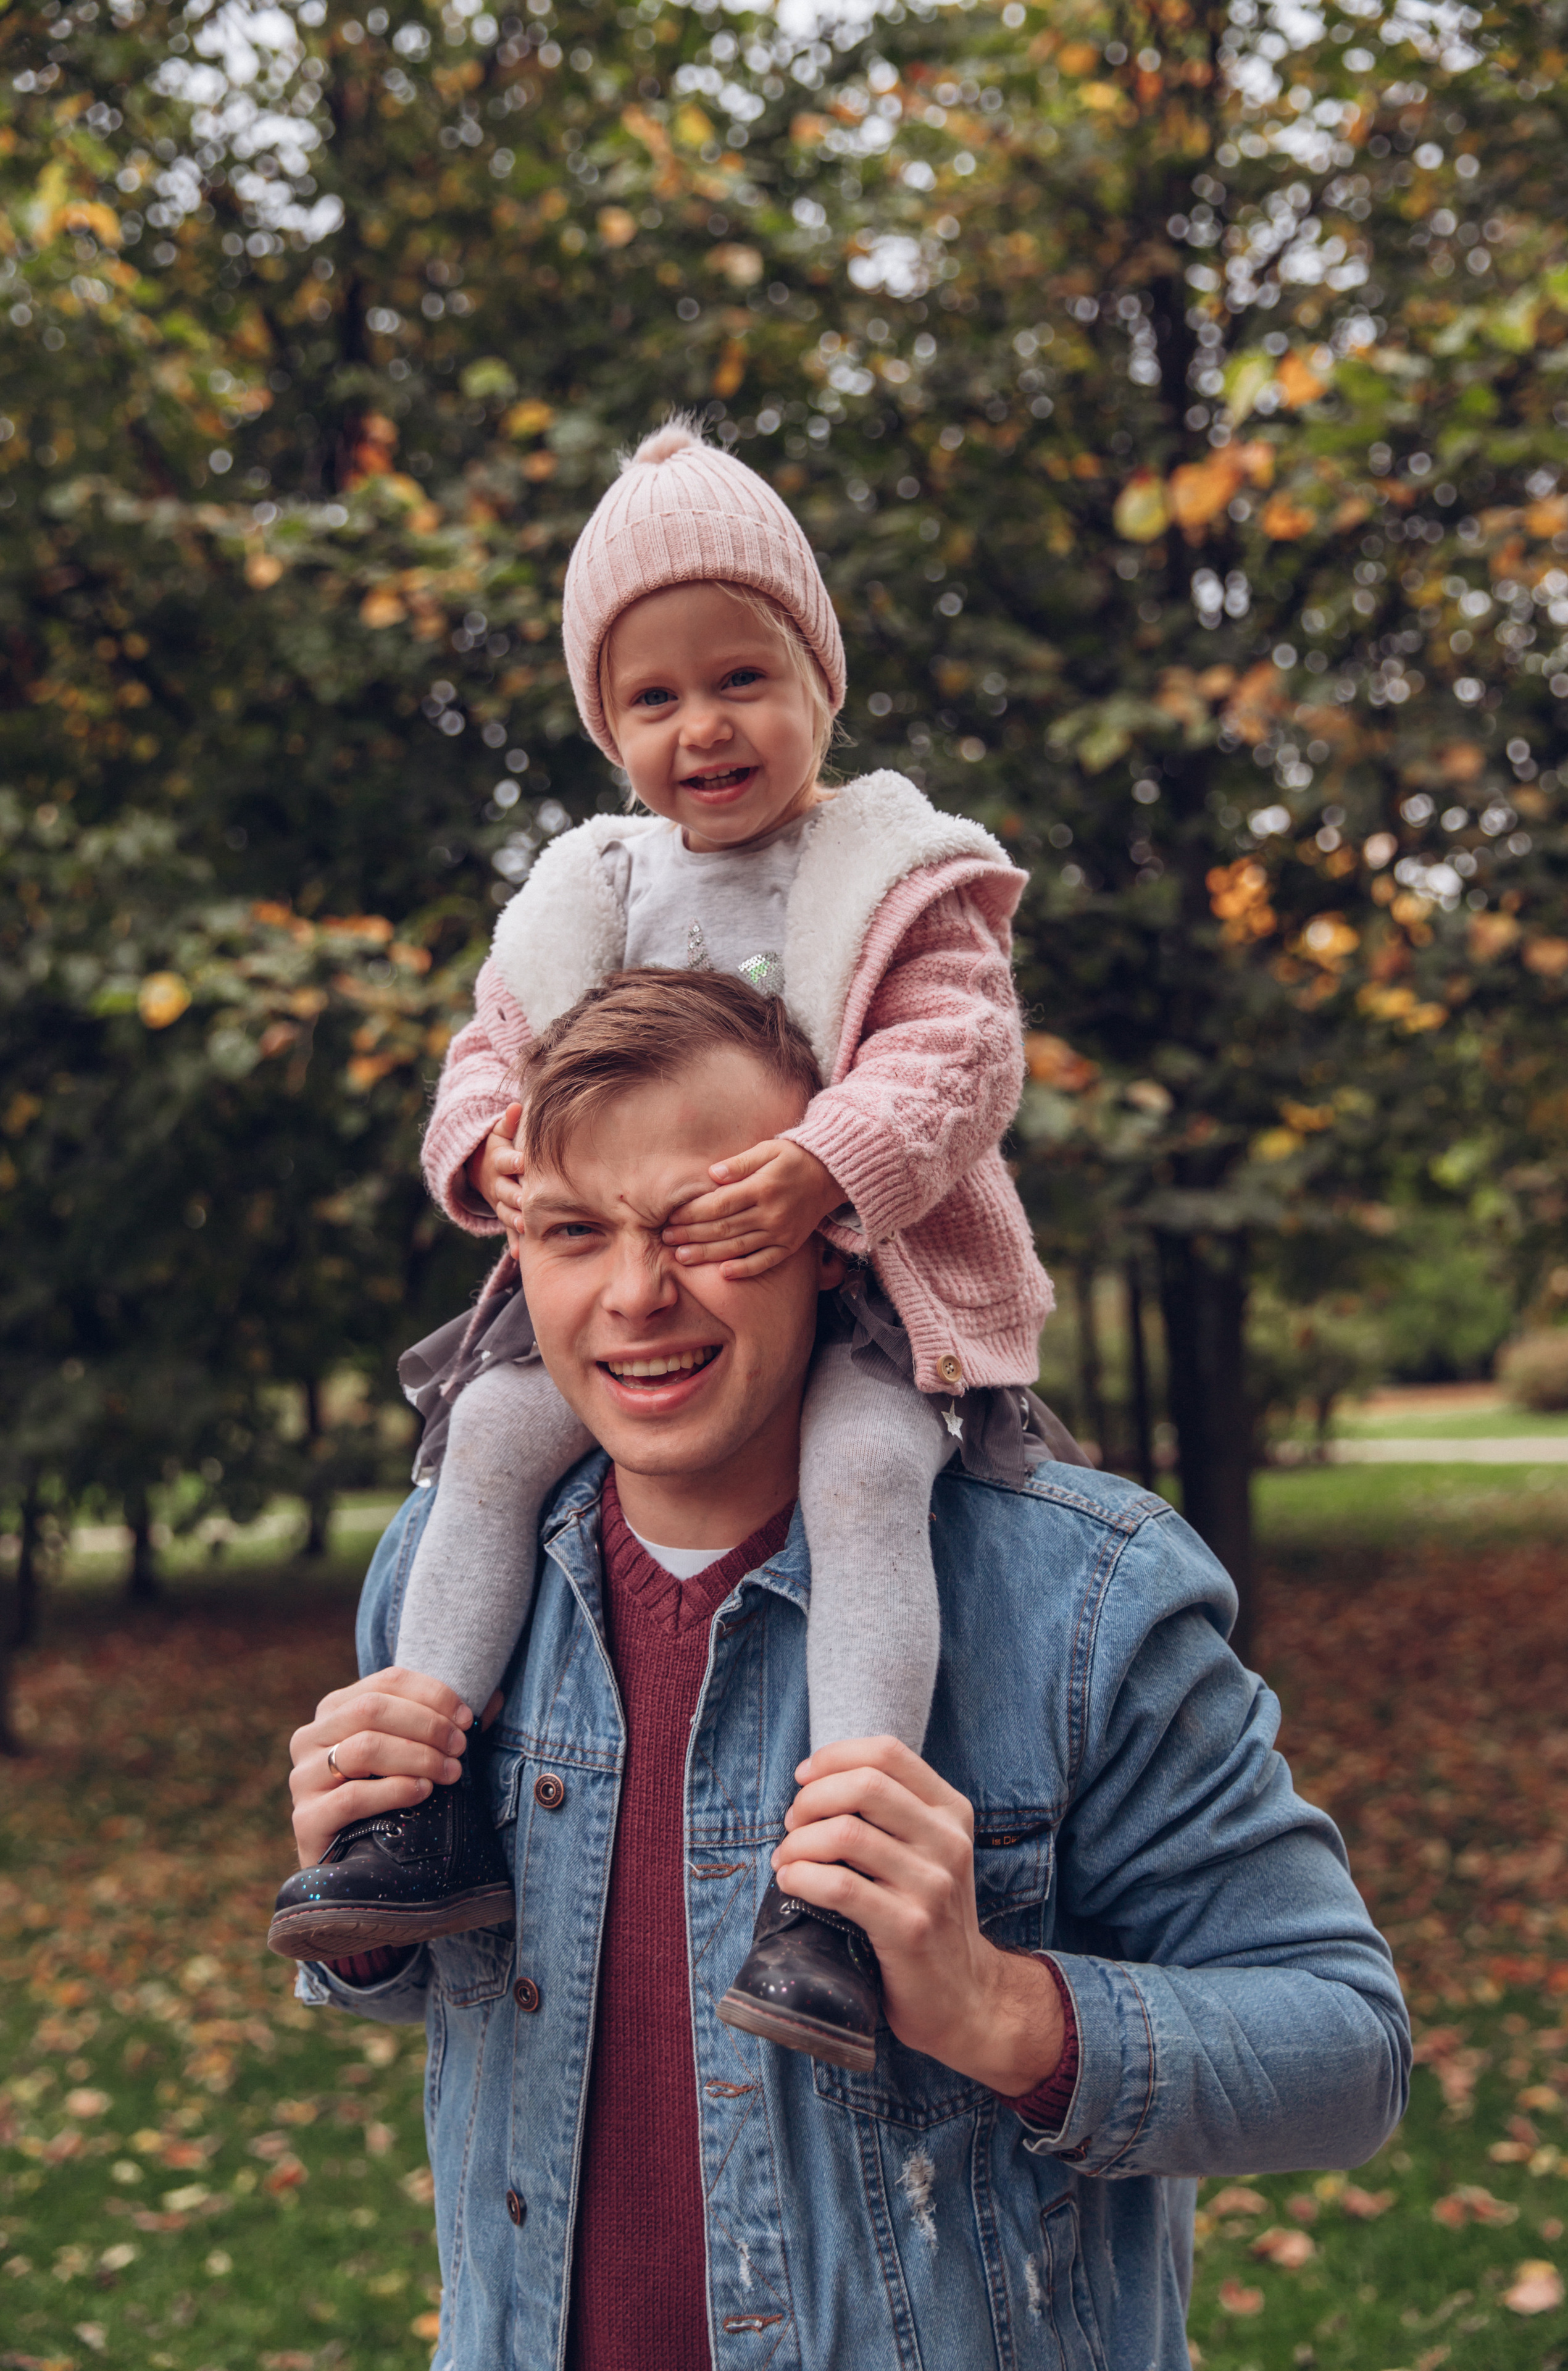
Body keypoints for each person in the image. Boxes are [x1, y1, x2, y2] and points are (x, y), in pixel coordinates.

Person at [278, 972, 1408, 2371]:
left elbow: (1347, 2054)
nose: (636, 1296)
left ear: (828, 1238)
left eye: (705, 1224)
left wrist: (998, 2008)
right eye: (574, 1232)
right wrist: (370, 1906)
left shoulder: (1081, 1597)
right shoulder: (443, 1572)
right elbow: (459, 2002)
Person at [268, 415, 1067, 2075]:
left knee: (864, 1479)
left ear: (819, 682)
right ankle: (414, 1813)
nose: (705, 727)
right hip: (659, 1287)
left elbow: (959, 1056)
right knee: (489, 1433)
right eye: (654, 696)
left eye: (742, 678)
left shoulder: (884, 866)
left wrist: (825, 1162)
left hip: (856, 1294)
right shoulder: (591, 893)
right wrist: (484, 1149)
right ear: (606, 724)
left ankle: (841, 1887)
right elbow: (494, 1058)